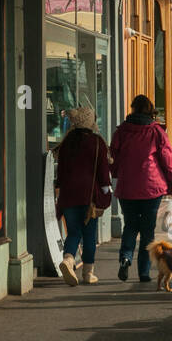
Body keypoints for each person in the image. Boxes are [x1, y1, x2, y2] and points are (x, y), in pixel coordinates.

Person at [109, 95, 172, 283]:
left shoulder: (121, 131)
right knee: (148, 230)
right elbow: (167, 160)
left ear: (132, 109)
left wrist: (117, 173)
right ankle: (144, 272)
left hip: (127, 187)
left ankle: (125, 258)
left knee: (130, 225)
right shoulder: (156, 131)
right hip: (151, 187)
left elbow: (113, 158)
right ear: (150, 110)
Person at [54, 107, 112, 286]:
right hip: (90, 197)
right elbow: (103, 172)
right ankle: (88, 274)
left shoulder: (66, 142)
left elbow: (60, 171)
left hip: (68, 195)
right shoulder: (97, 142)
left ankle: (69, 260)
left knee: (73, 232)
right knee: (89, 235)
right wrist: (106, 191)